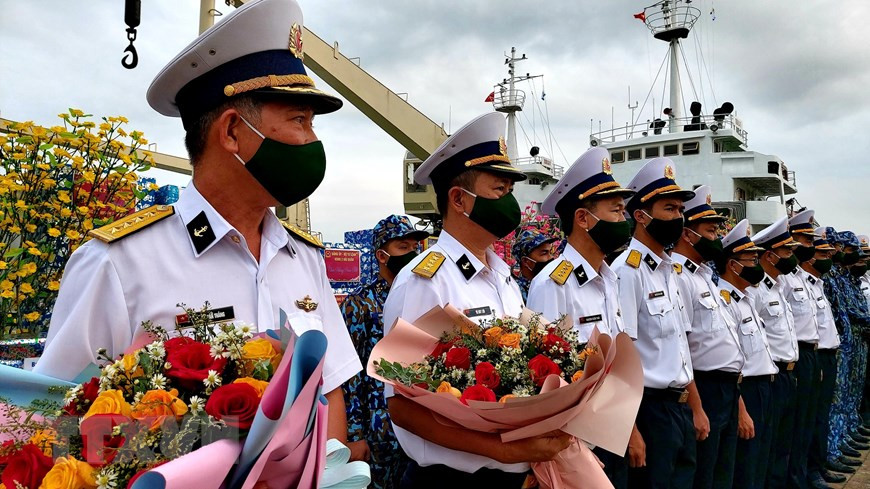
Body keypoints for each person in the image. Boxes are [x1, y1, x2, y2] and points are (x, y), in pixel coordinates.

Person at [35, 0, 362, 442]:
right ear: (230, 131)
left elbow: (331, 391)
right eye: (300, 121)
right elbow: (55, 419)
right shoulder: (118, 264)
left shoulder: (302, 259)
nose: (312, 141)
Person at [382, 113, 574, 488]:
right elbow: (401, 406)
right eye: (499, 190)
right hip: (453, 479)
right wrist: (498, 449)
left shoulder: (503, 277)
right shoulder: (426, 280)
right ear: (459, 199)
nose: (510, 201)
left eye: (510, 191)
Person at [527, 146, 635, 487]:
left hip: (615, 426)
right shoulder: (554, 282)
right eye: (615, 211)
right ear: (584, 219)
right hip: (578, 441)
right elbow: (545, 377)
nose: (623, 220)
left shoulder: (609, 278)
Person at [611, 157, 697, 489]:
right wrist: (631, 429)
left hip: (680, 406)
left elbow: (679, 347)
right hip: (649, 409)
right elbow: (622, 356)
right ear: (641, 216)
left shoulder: (668, 269)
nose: (679, 217)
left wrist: (694, 405)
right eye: (670, 209)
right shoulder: (627, 272)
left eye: (680, 210)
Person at [341, 215, 428, 488]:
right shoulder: (360, 303)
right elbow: (349, 372)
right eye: (403, 248)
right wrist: (353, 433)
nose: (413, 255)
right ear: (381, 255)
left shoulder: (423, 297)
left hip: (421, 424)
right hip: (378, 427)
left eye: (415, 248)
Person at [670, 186, 743, 489]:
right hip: (704, 388)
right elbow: (681, 346)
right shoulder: (679, 276)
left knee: (721, 473)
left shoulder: (704, 275)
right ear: (688, 234)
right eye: (711, 231)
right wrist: (697, 406)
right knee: (703, 475)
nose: (717, 238)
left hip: (727, 389)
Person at [716, 219, 778, 489]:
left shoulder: (746, 297)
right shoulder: (724, 300)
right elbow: (733, 363)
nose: (757, 266)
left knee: (760, 461)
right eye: (751, 260)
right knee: (744, 466)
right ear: (733, 264)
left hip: (764, 386)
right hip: (745, 392)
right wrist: (741, 409)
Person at [747, 217, 802, 489]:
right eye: (786, 252)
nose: (792, 257)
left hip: (788, 374)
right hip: (771, 374)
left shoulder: (780, 287)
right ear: (769, 255)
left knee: (782, 443)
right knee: (763, 450)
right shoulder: (756, 291)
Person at [799, 229, 847, 485]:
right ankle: (810, 471)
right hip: (810, 357)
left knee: (821, 414)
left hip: (826, 356)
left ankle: (818, 464)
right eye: (822, 252)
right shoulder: (797, 282)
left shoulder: (817, 283)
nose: (828, 257)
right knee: (809, 419)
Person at [822, 228, 870, 470]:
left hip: (854, 341)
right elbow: (845, 311)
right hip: (840, 345)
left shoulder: (844, 277)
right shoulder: (828, 276)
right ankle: (833, 448)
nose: (851, 255)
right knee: (837, 399)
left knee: (851, 393)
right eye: (849, 250)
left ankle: (846, 434)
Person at [511, 228, 558, 301]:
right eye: (544, 253)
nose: (551, 257)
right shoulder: (515, 289)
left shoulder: (550, 282)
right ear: (526, 261)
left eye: (550, 252)